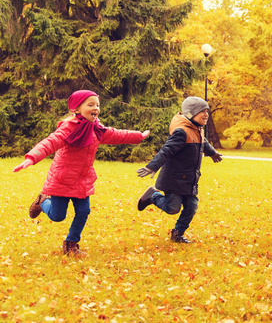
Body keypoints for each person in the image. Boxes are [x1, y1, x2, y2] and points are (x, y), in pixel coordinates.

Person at [13, 90, 149, 256]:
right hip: (62, 179)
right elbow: (50, 142)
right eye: (90, 104)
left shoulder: (97, 129)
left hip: (83, 180)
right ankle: (43, 201)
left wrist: (138, 136)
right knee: (57, 216)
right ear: (76, 109)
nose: (96, 108)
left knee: (84, 211)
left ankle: (71, 244)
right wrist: (32, 157)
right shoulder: (68, 128)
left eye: (97, 105)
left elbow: (116, 134)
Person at [136, 96, 222, 243]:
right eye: (202, 111)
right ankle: (153, 196)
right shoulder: (181, 132)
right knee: (172, 208)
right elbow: (166, 151)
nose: (206, 114)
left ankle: (178, 233)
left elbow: (204, 143)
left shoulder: (198, 130)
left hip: (190, 179)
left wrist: (212, 152)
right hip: (174, 179)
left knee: (191, 208)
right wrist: (152, 166)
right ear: (191, 113)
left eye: (207, 111)